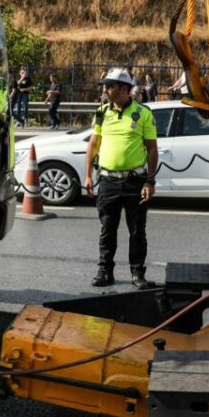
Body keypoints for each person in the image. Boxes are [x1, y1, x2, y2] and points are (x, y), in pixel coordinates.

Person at [83, 67, 158, 289]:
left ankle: (137, 273)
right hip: (108, 181)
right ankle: (105, 271)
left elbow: (152, 149)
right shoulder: (101, 112)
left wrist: (149, 181)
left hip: (135, 180)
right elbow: (93, 144)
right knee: (107, 228)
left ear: (125, 88)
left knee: (136, 230)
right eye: (105, 86)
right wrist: (88, 175)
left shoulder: (143, 113)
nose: (106, 89)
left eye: (111, 85)